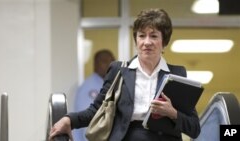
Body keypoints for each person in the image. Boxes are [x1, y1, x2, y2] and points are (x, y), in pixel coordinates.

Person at [49, 8, 201, 141]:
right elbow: (96, 110)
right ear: (136, 40)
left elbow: (194, 127)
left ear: (164, 42)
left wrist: (172, 113)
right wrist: (69, 120)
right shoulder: (119, 71)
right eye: (142, 36)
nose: (147, 42)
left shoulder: (177, 74)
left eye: (153, 36)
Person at [73, 49, 115, 141]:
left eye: (112, 61)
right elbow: (87, 120)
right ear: (95, 64)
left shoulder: (109, 84)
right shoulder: (89, 87)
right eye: (104, 61)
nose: (109, 65)